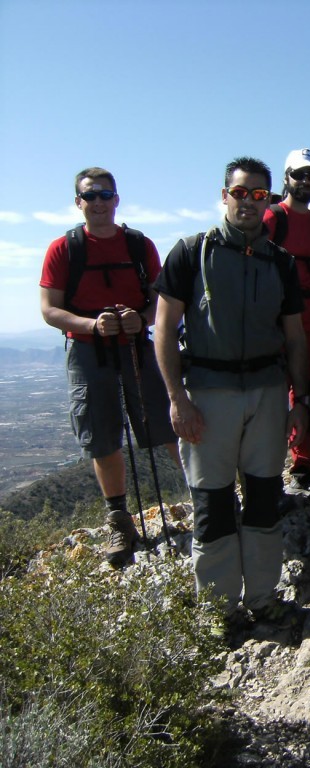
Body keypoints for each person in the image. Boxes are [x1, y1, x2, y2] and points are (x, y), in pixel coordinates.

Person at [153, 157, 308, 627]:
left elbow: (296, 338)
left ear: (268, 200)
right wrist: (177, 399)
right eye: (240, 192)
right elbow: (163, 329)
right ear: (225, 195)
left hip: (266, 391)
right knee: (212, 502)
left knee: (264, 498)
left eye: (259, 194)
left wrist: (299, 402)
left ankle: (262, 599)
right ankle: (219, 611)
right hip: (207, 394)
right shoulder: (190, 252)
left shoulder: (280, 262)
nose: (248, 201)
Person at [39, 167, 178, 568]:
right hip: (87, 351)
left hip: (136, 346)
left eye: (105, 195)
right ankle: (119, 519)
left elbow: (161, 301)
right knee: (102, 436)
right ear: (78, 202)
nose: (98, 202)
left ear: (117, 199)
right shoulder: (63, 249)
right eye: (90, 196)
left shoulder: (139, 245)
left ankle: (206, 499)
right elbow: (49, 309)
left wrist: (143, 319)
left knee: (170, 421)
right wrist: (92, 326)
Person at [264, 148, 310, 497]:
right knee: (273, 394)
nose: (305, 181)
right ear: (286, 178)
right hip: (280, 319)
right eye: (299, 175)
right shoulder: (274, 218)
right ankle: (266, 469)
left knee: (308, 393)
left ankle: (304, 463)